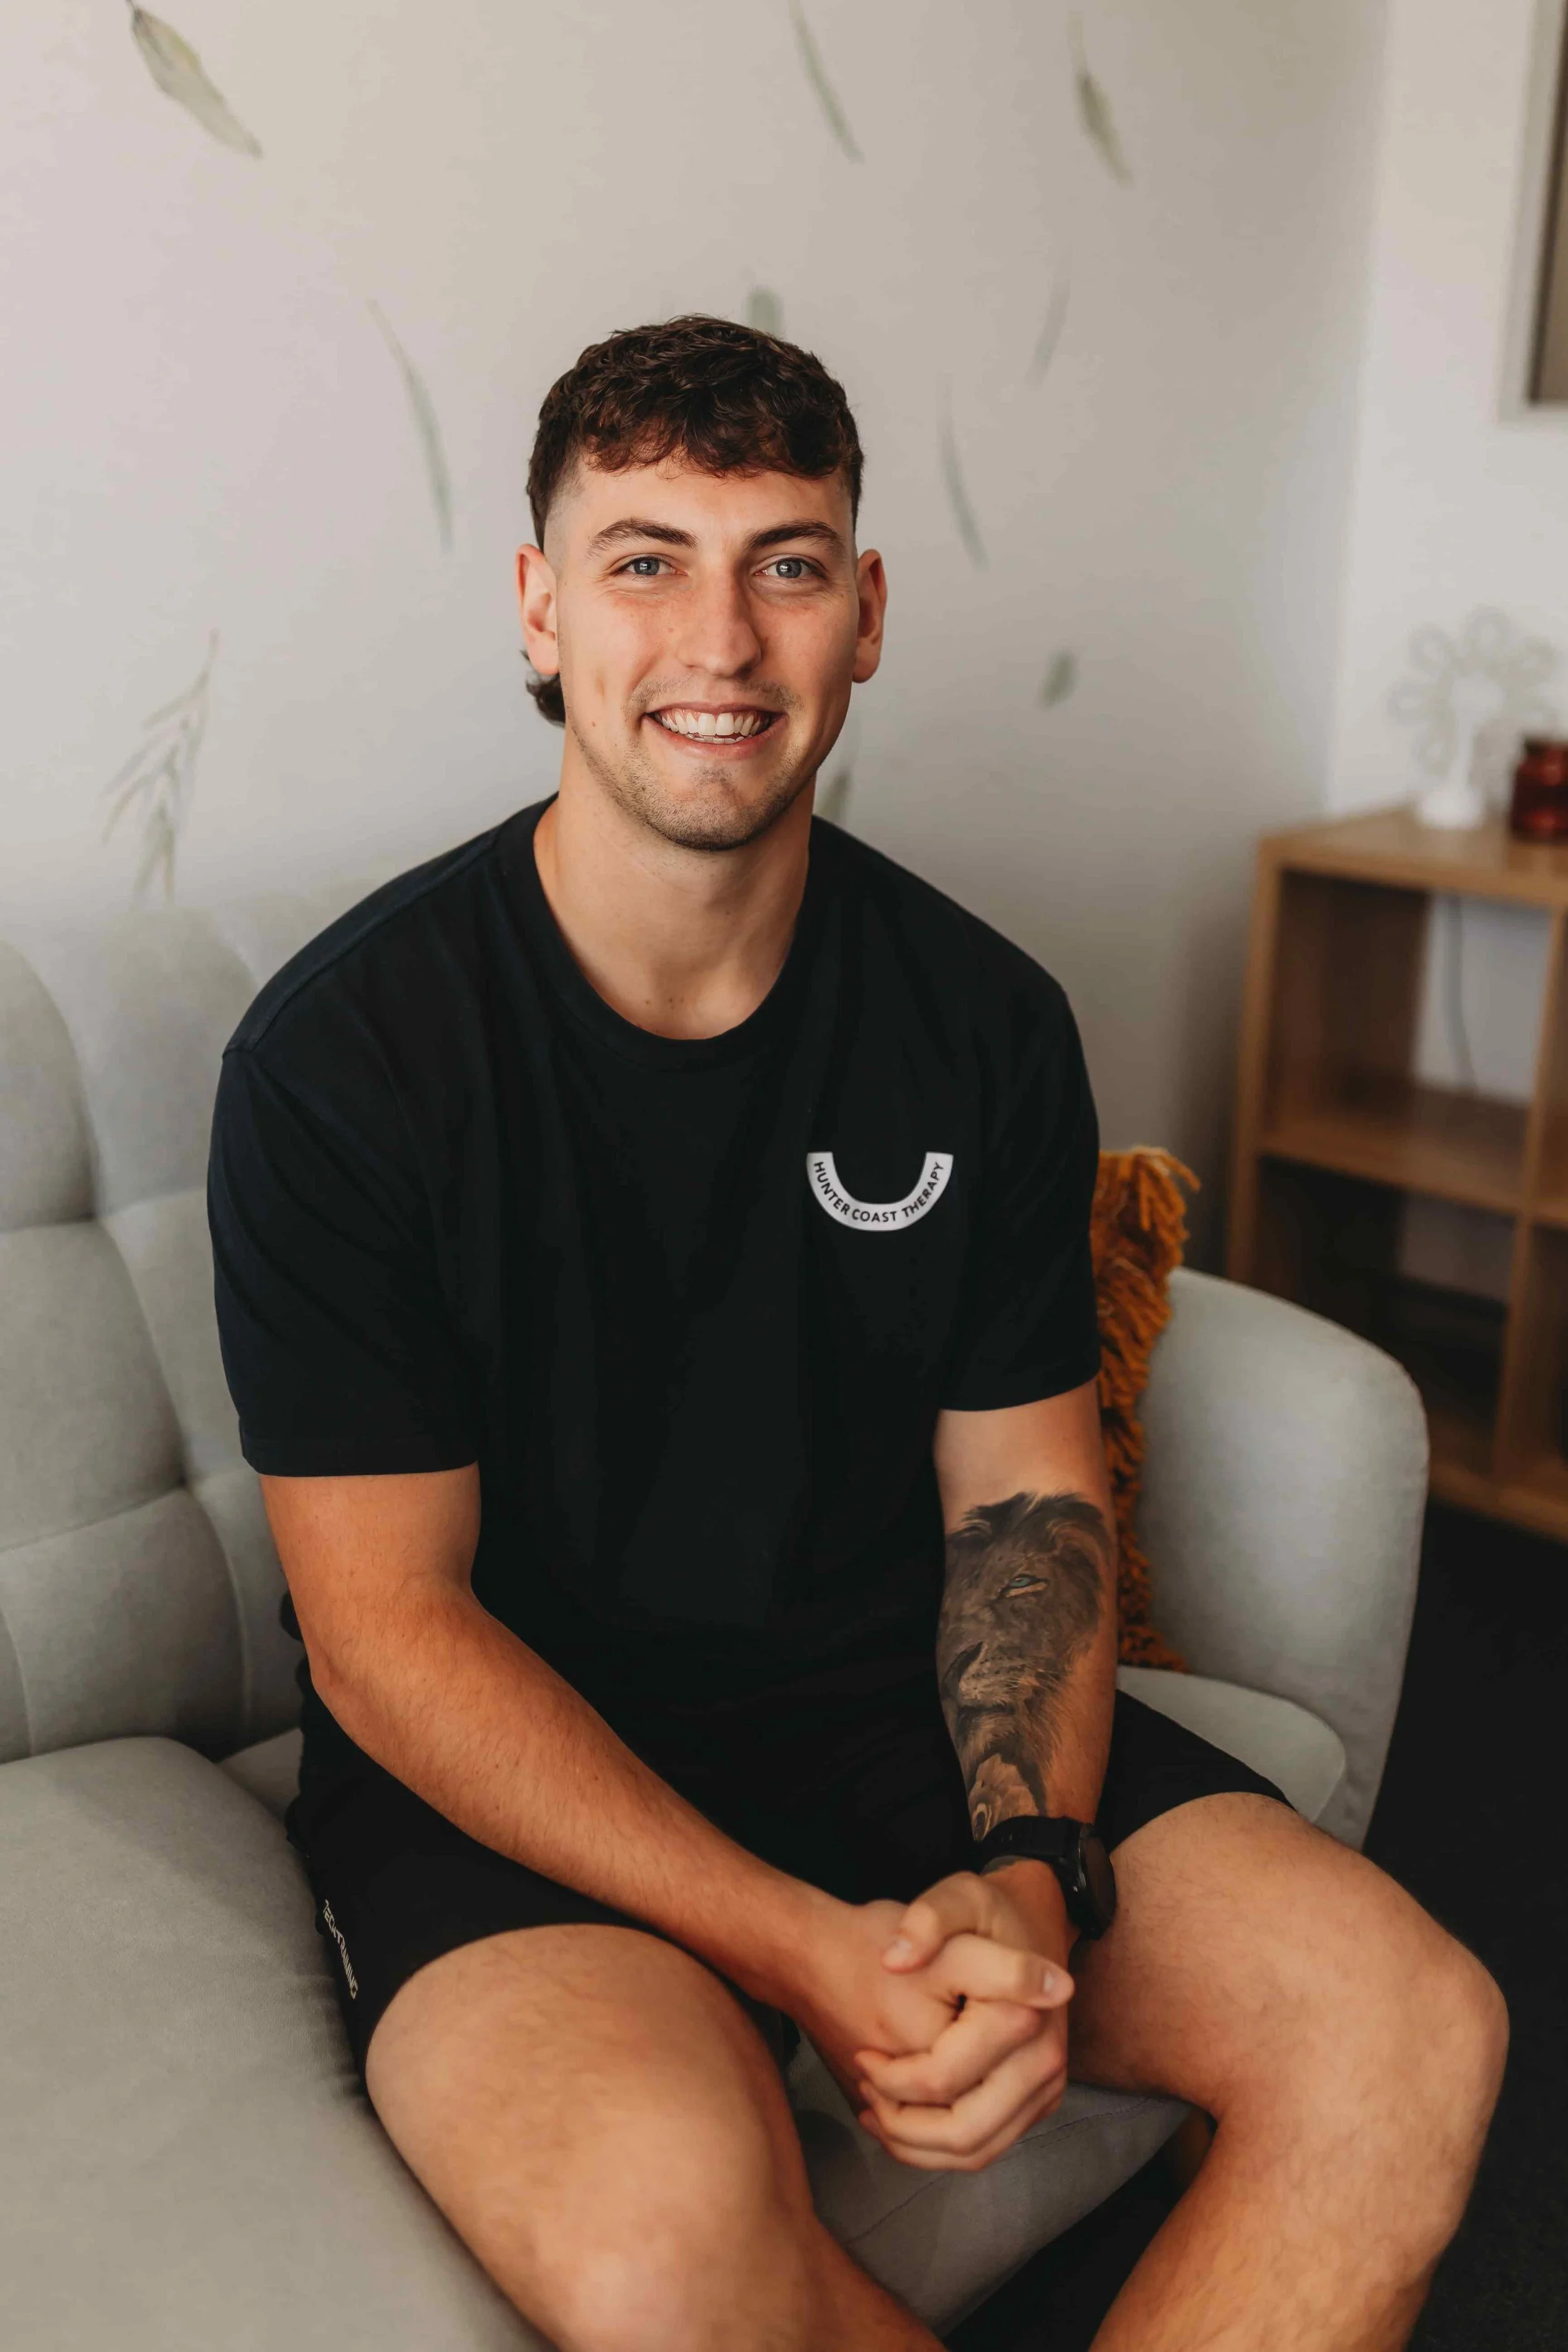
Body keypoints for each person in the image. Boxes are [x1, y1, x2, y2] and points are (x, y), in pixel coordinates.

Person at [208, 315, 1506, 2351]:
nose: (719, 638)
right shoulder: (345, 1057)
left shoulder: (980, 1020)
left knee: (1406, 2027)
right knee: (657, 2248)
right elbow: (387, 1635)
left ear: (865, 612)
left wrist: (1028, 1869)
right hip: (517, 1770)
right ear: (541, 609)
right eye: (645, 560)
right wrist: (802, 1946)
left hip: (883, 1707)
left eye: (786, 563)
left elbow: (1023, 1504)